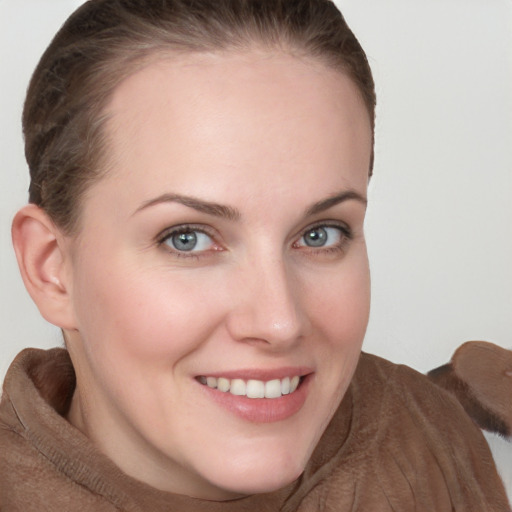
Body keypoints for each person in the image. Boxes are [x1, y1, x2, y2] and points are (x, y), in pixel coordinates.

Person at [0, 0, 509, 510]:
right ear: (53, 270)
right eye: (188, 238)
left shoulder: (428, 437)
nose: (280, 322)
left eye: (319, 234)